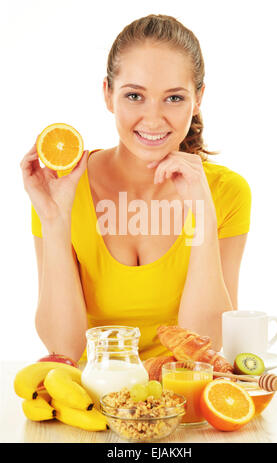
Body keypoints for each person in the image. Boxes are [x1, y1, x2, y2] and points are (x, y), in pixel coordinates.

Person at [20, 14, 251, 364]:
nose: (154, 119)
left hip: (179, 399)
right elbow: (63, 350)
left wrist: (202, 214)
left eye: (174, 98)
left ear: (198, 98)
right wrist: (54, 221)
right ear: (108, 95)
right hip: (92, 397)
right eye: (134, 96)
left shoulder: (225, 192)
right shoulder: (62, 188)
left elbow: (207, 345)